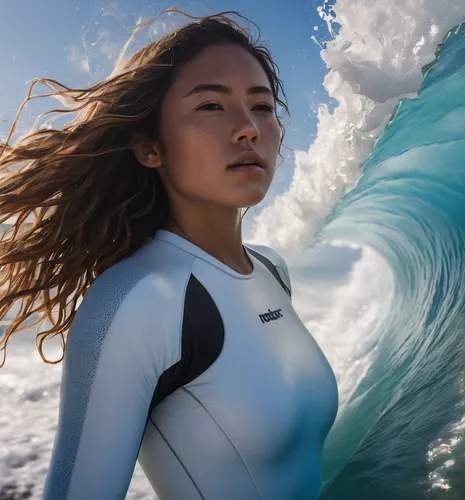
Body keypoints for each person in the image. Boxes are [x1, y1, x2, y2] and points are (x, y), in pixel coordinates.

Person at [0, 9, 338, 500]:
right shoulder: (136, 300)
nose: (248, 128)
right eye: (211, 107)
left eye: (261, 106)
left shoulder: (270, 270)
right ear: (149, 149)